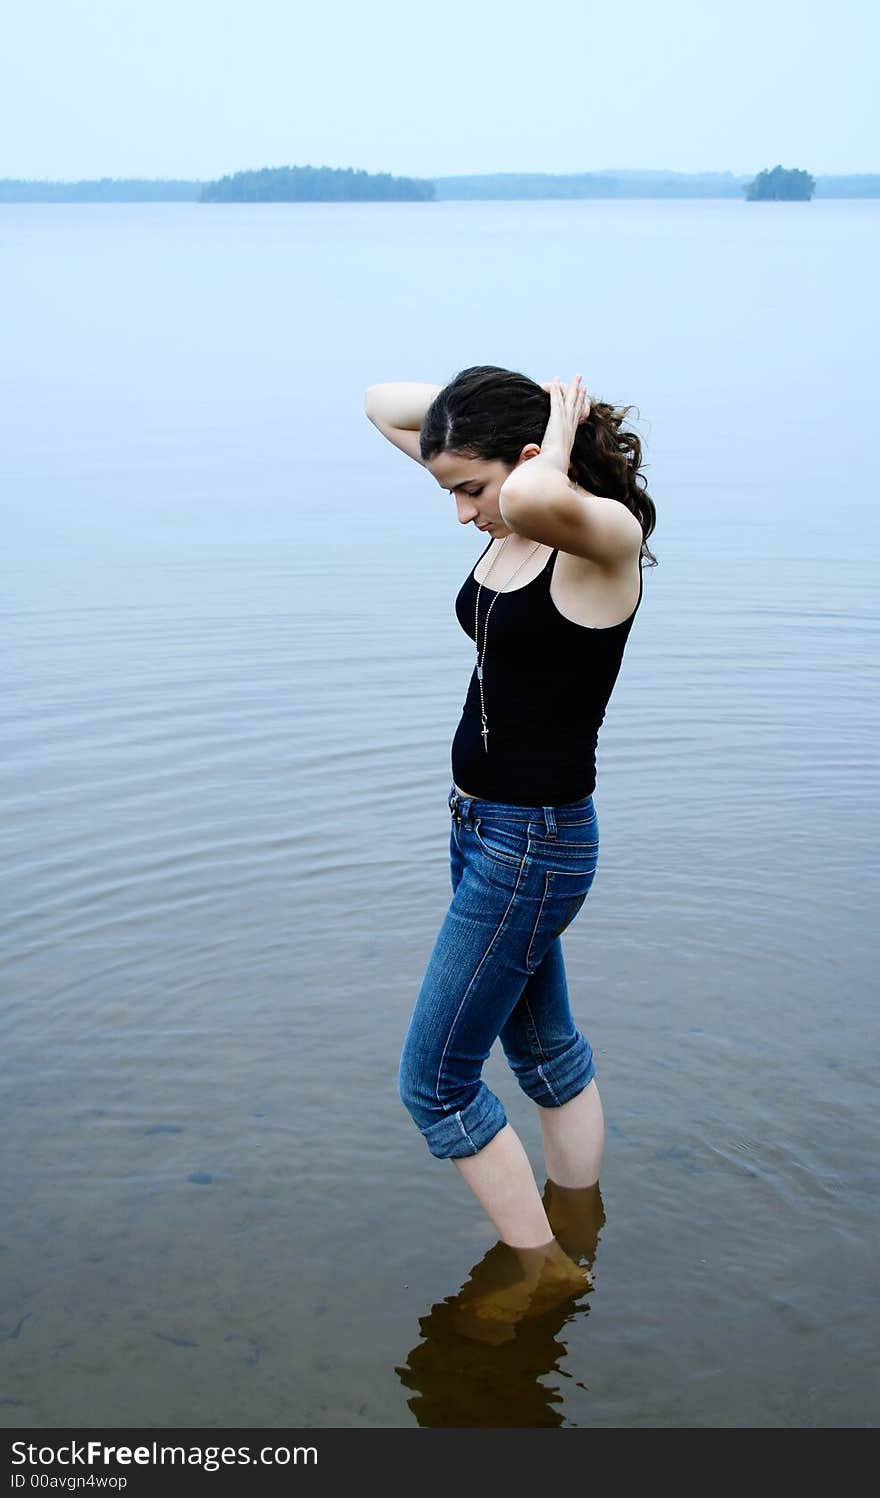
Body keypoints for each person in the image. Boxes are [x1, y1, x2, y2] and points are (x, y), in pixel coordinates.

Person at [364, 365, 656, 1297]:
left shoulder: (601, 540)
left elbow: (531, 491)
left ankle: (541, 1274)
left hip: (534, 844)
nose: (461, 513)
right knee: (542, 1053)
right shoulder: (517, 509)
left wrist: (549, 442)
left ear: (532, 462)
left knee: (436, 1083)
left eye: (468, 490)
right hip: (484, 832)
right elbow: (382, 402)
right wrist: (517, 399)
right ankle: (578, 1220)